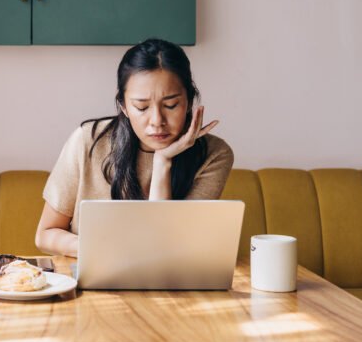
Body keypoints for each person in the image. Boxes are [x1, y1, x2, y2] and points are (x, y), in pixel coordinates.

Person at [36, 37, 234, 258]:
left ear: (189, 100)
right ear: (124, 107)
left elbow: (163, 249)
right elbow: (46, 234)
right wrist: (109, 251)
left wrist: (163, 161)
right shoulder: (87, 142)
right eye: (142, 107)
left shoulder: (215, 155)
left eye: (171, 105)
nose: (157, 120)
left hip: (171, 284)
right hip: (93, 278)